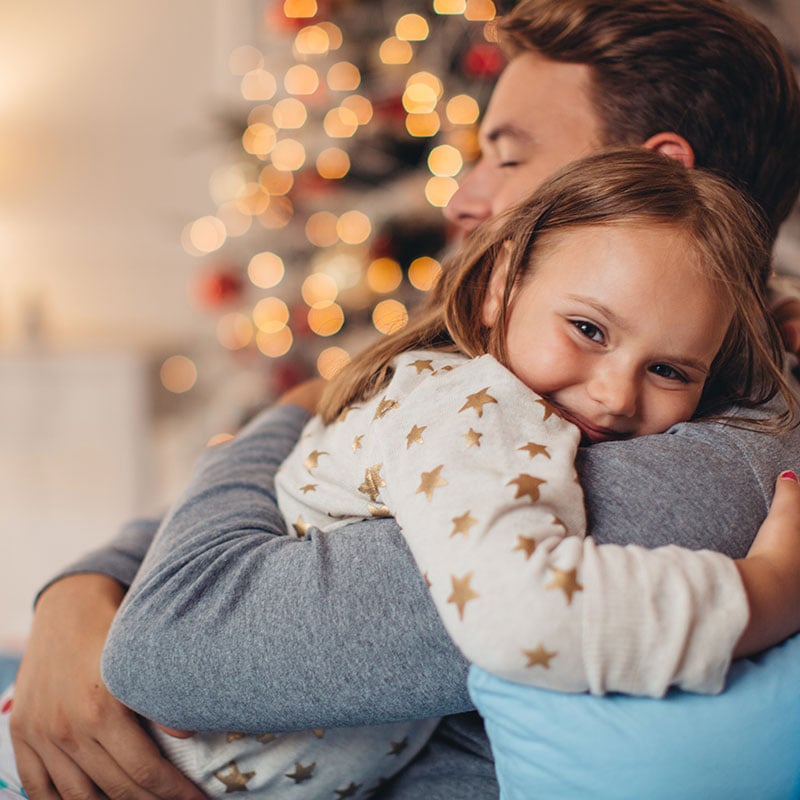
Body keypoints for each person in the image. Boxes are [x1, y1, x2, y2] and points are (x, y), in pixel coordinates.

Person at [9, 2, 800, 799]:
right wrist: (80, 589)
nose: (464, 198)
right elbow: (255, 516)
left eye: (510, 158)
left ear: (653, 172)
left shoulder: (713, 463)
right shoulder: (524, 379)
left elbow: (175, 644)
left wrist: (293, 411)